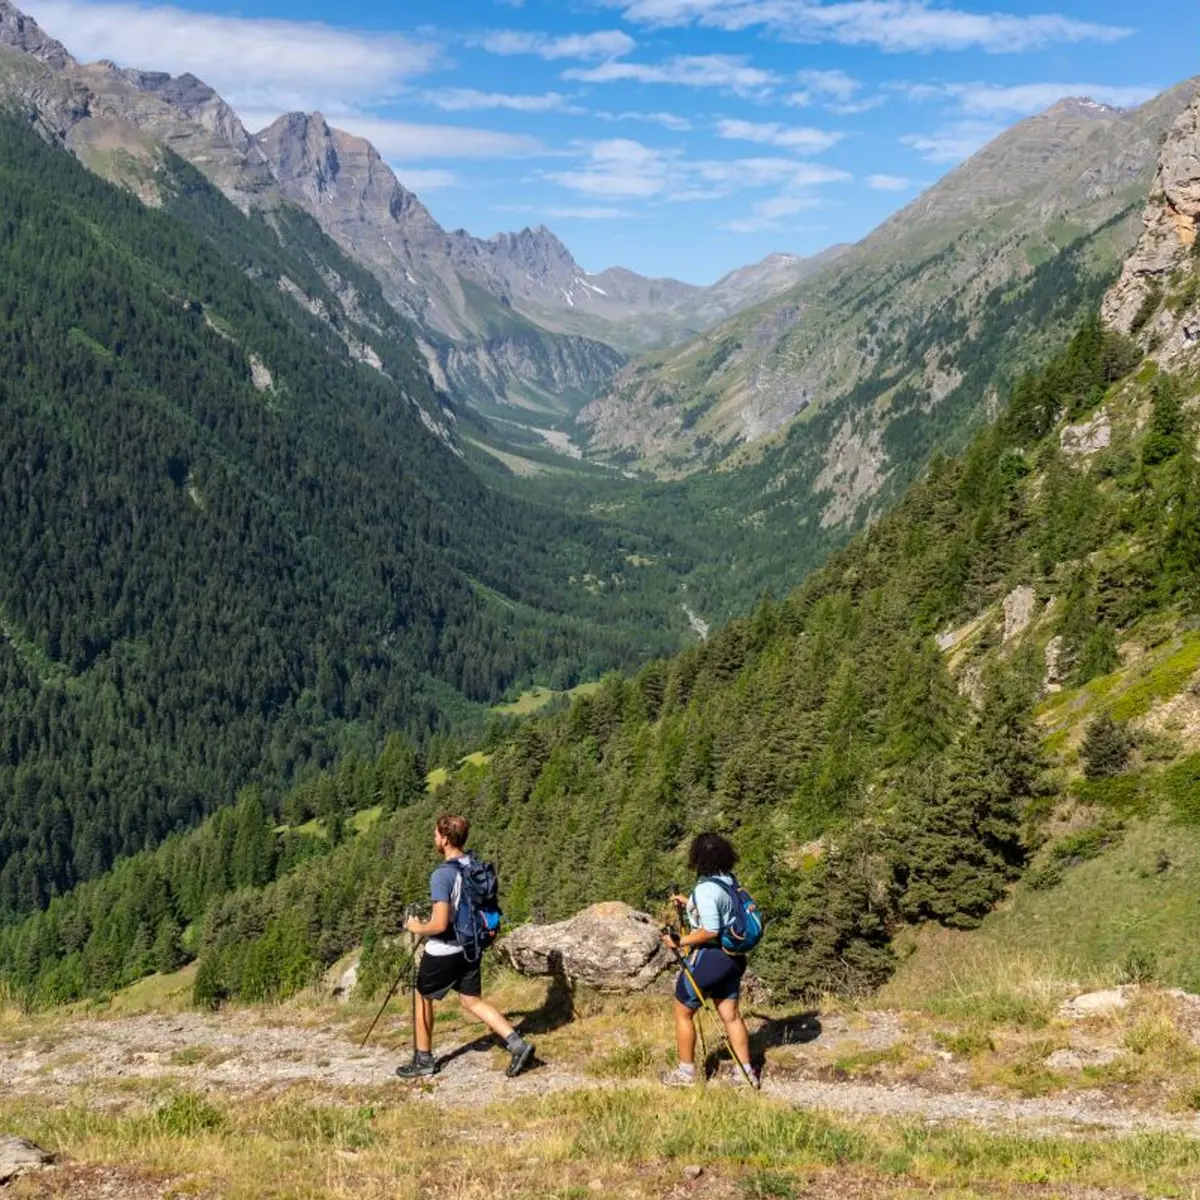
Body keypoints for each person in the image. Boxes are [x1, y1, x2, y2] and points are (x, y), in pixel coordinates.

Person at [396, 813, 535, 1079]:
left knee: (422, 996)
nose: (434, 838)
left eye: (436, 834)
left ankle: (423, 1060)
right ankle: (518, 1045)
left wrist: (416, 927)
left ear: (445, 839)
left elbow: (438, 924)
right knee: (471, 1000)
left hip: (445, 949)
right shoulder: (473, 864)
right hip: (471, 945)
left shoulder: (442, 875)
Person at [660, 832, 759, 1088]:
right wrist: (689, 902)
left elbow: (711, 930)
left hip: (711, 958)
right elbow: (722, 911)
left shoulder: (705, 889)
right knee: (731, 1016)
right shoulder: (728, 881)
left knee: (683, 1011)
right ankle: (746, 1073)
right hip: (733, 960)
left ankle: (686, 1073)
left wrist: (679, 942)